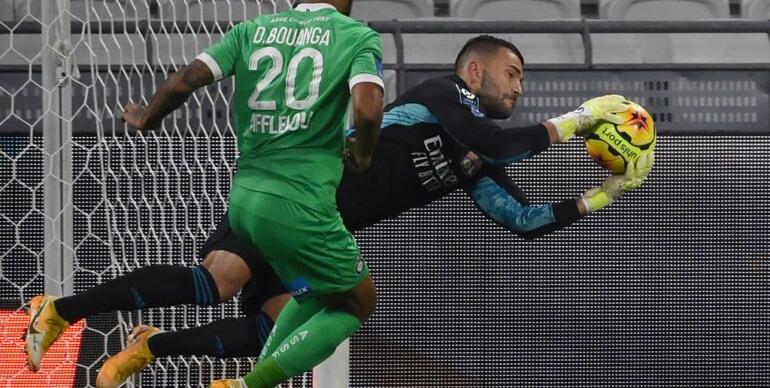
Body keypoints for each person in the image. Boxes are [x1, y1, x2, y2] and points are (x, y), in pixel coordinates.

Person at [25, 36, 653, 387]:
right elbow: (498, 141)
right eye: (512, 74)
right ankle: (56, 308)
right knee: (215, 283)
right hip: (294, 191)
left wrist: (605, 195)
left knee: (272, 333)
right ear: (473, 70)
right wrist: (579, 119)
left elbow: (522, 221)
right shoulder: (442, 97)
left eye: (522, 80)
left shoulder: (477, 156)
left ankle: (153, 347)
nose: (519, 87)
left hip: (316, 236)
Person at [26, 0, 386, 388]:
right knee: (356, 303)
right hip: (301, 208)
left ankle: (143, 342)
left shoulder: (252, 30)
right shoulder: (358, 37)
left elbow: (187, 79)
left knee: (308, 299)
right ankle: (242, 385)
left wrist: (148, 118)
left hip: (247, 202)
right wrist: (362, 156)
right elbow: (367, 107)